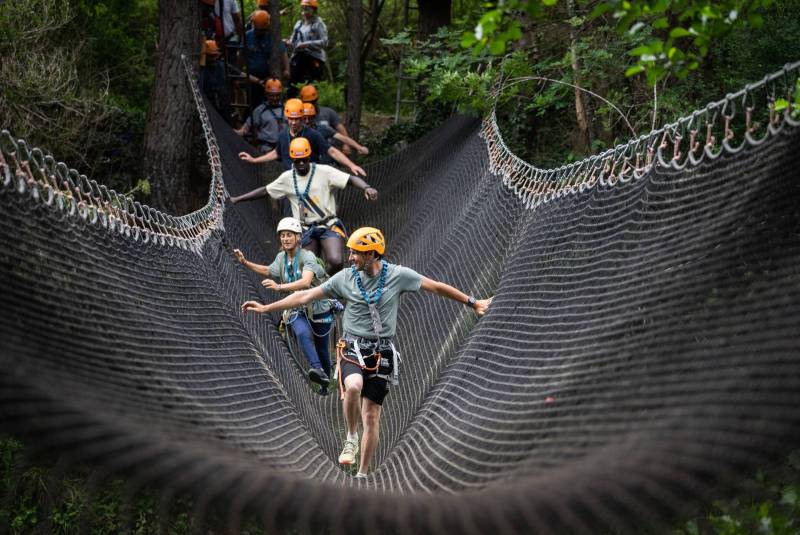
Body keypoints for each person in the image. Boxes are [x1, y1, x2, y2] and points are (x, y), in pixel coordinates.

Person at [241, 227, 492, 477]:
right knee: (352, 386)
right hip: (351, 347)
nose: (350, 258)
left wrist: (473, 303)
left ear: (372, 254)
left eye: (356, 253)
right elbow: (306, 295)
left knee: (371, 416)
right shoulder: (345, 278)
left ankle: (362, 474)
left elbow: (435, 287)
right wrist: (266, 308)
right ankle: (351, 436)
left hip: (381, 353)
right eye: (350, 252)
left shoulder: (398, 275)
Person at [231, 137, 377, 273]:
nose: (301, 163)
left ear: (309, 156)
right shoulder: (287, 178)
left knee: (336, 261)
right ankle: (315, 288)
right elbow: (265, 190)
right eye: (297, 160)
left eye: (304, 159)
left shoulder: (324, 171)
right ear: (292, 159)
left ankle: (325, 284)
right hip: (305, 229)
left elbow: (350, 179)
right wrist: (237, 199)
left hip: (329, 225)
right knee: (308, 268)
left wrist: (366, 187)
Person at [234, 217, 334, 393]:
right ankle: (317, 369)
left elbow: (305, 282)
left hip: (318, 306)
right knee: (302, 332)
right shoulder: (281, 257)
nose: (285, 239)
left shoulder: (307, 256)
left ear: (298, 238)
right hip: (296, 308)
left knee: (322, 347)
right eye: (282, 235)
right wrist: (244, 262)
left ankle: (327, 380)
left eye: (290, 235)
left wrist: (279, 287)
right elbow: (268, 270)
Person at [238, 98, 366, 177]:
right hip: (290, 179)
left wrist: (351, 165)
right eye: (291, 119)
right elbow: (276, 153)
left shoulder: (313, 134)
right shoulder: (283, 135)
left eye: (297, 119)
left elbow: (331, 150)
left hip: (311, 178)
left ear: (302, 118)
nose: (293, 123)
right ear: (287, 118)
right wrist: (254, 160)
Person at [242, 10, 289, 108]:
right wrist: (239, 73)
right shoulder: (247, 36)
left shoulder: (272, 37)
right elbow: (241, 55)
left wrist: (286, 69)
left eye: (262, 30)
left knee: (270, 103)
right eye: (257, 29)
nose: (259, 32)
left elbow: (283, 52)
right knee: (253, 104)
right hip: (252, 77)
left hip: (269, 76)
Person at [285, 0, 328, 96]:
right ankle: (292, 104)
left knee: (311, 85)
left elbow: (324, 42)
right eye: (303, 8)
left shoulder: (318, 24)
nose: (305, 10)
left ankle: (311, 105)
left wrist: (307, 44)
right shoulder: (298, 24)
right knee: (292, 82)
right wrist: (288, 43)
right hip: (299, 56)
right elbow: (293, 41)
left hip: (313, 57)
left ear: (313, 9)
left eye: (307, 8)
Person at [299, 84, 354, 155]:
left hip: (328, 152)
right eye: (307, 102)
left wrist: (346, 145)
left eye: (312, 101)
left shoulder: (328, 112)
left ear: (317, 100)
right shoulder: (299, 116)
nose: (310, 104)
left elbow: (341, 128)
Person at [302, 102, 368, 159]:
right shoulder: (296, 131)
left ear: (314, 117)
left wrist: (359, 147)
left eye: (310, 118)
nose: (307, 121)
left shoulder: (322, 129)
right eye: (304, 118)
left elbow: (344, 138)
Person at [235, 78, 285, 153]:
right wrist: (236, 132)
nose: (275, 98)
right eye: (271, 95)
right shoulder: (259, 110)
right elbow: (246, 128)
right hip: (267, 149)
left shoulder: (286, 109)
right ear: (266, 95)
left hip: (283, 149)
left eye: (277, 95)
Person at [199, 40, 230, 121]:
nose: (213, 59)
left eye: (215, 56)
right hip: (209, 104)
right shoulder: (201, 71)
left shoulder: (222, 66)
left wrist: (258, 81)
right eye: (210, 56)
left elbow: (239, 73)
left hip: (222, 103)